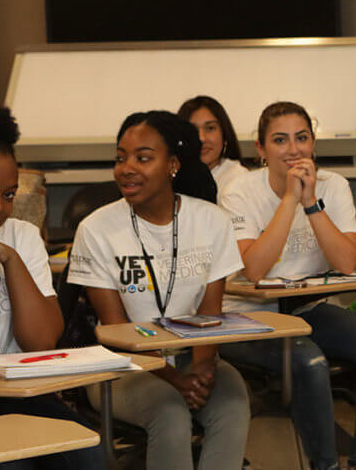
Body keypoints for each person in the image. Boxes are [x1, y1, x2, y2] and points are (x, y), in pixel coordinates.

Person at [218, 101, 356, 470]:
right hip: (250, 317)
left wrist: (311, 202)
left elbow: (346, 262)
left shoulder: (333, 186)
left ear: (313, 143)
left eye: (301, 138)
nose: (293, 149)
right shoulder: (239, 191)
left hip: (307, 309)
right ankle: (325, 465)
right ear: (261, 150)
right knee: (309, 362)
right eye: (280, 140)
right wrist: (289, 199)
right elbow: (254, 268)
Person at [68, 111, 250, 470]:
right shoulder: (96, 229)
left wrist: (202, 371)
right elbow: (116, 331)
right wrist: (174, 379)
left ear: (173, 165)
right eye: (121, 158)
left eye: (143, 158)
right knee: (168, 411)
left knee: (233, 403)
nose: (126, 168)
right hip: (121, 367)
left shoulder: (211, 221)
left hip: (192, 356)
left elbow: (211, 315)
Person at [0, 100, 106, 470]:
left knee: (87, 452)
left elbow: (41, 341)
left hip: (14, 395)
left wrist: (10, 259)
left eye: (9, 194)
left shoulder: (21, 236)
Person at [177, 95, 249, 194]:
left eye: (210, 128)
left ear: (224, 134)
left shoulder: (239, 179)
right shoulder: (171, 179)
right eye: (192, 130)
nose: (201, 138)